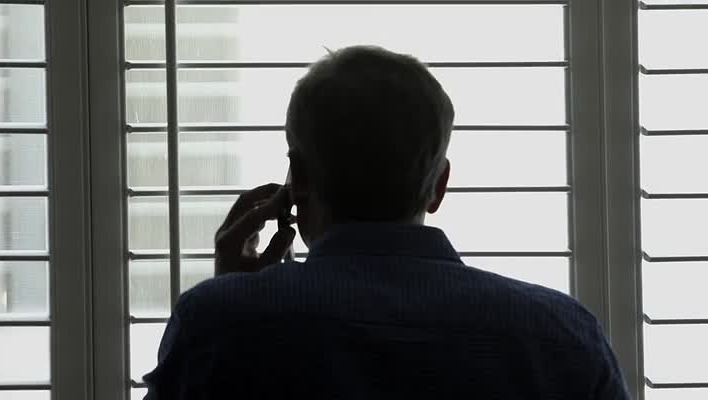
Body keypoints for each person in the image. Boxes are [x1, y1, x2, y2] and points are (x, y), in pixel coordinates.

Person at [144, 45, 630, 399]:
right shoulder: (562, 337)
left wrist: (230, 305)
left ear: (299, 180)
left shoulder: (217, 324)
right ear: (438, 186)